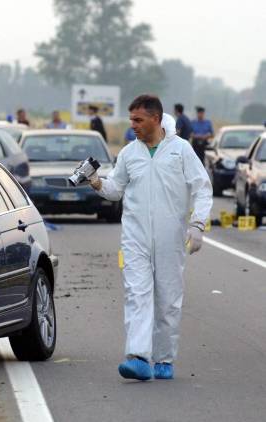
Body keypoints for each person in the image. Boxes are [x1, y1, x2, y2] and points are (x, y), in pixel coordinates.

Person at [89, 94, 212, 381]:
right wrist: (96, 182)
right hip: (136, 237)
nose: (133, 125)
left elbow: (202, 188)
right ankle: (138, 357)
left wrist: (197, 225)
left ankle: (164, 359)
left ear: (155, 119)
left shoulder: (180, 150)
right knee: (137, 294)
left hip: (171, 238)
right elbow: (116, 189)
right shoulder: (130, 153)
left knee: (168, 300)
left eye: (138, 120)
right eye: (131, 119)